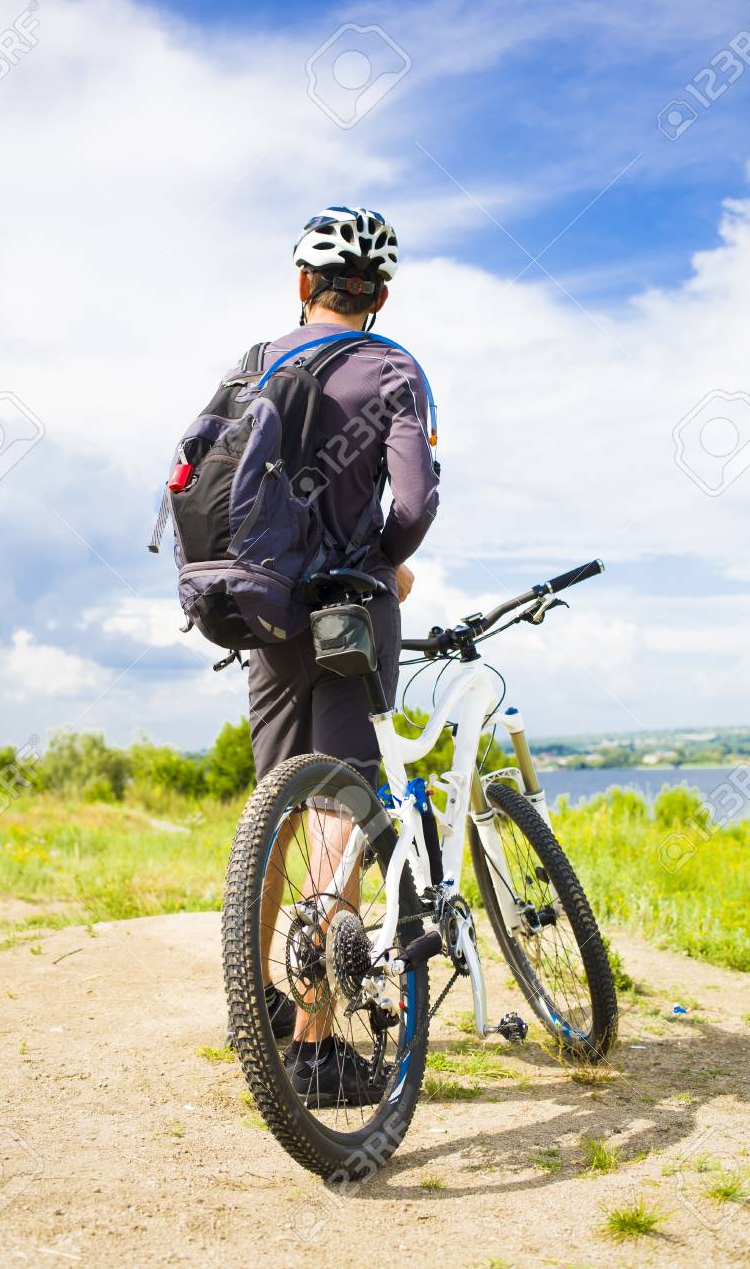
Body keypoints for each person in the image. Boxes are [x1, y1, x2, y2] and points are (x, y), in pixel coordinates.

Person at [241, 206, 440, 1103]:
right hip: (351, 611)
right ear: (381, 296)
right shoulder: (392, 367)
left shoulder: (255, 364)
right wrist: (383, 565)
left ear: (301, 286)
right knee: (338, 810)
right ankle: (319, 1055)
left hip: (267, 610)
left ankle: (261, 1012)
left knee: (274, 811)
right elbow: (414, 499)